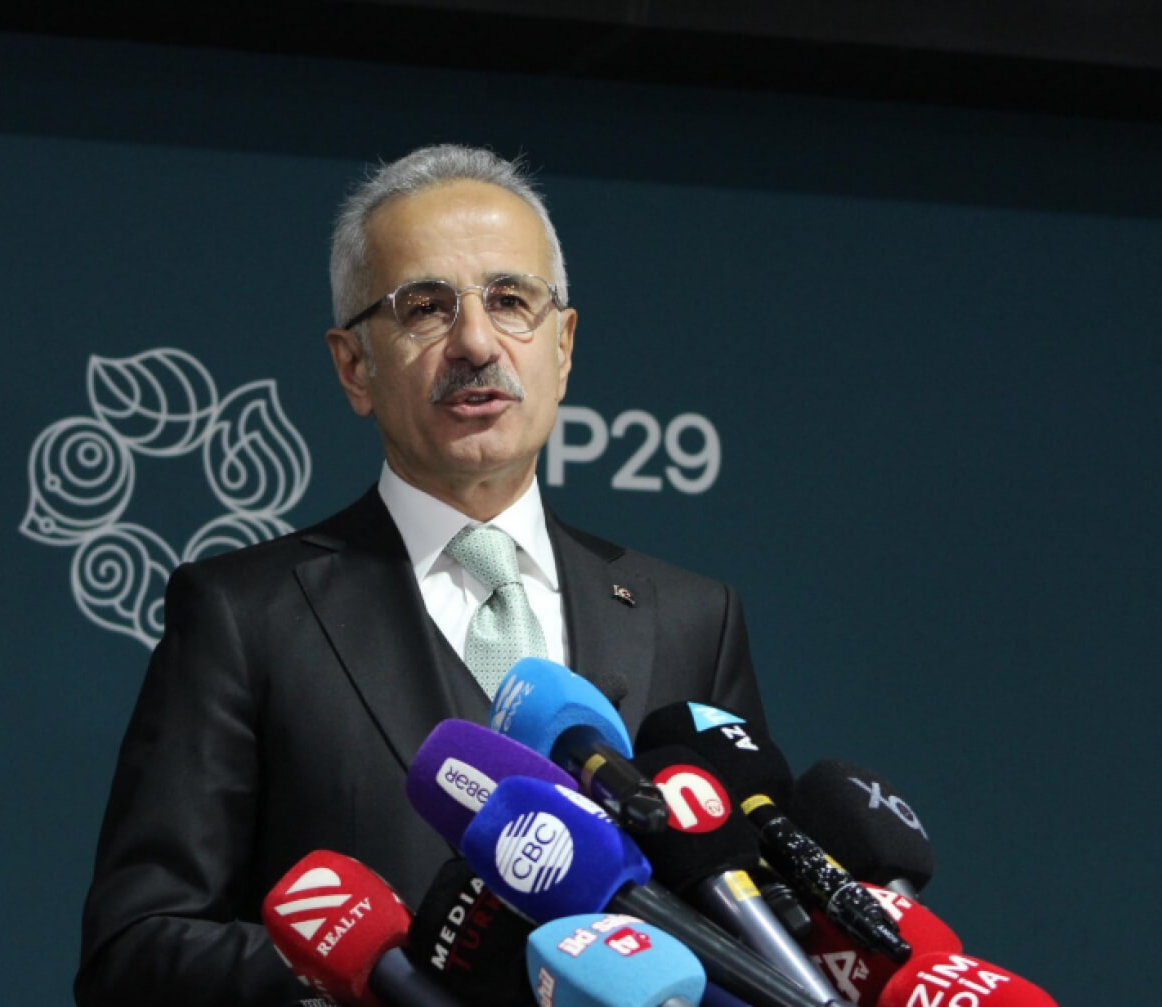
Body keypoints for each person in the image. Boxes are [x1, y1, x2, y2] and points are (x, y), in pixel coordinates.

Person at [74, 144, 764, 1006]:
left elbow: (751, 922)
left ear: (563, 345)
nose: (475, 342)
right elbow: (136, 951)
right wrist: (377, 971)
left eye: (510, 300)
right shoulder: (244, 617)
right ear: (354, 365)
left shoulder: (693, 618)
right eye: (426, 309)